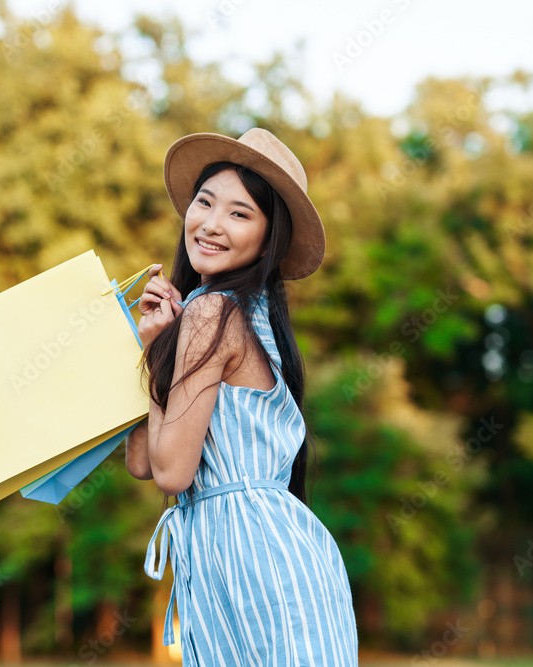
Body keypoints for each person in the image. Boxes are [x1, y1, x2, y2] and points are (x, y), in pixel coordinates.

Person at [123, 127, 359, 665]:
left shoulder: (212, 314)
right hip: (225, 560)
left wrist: (159, 355)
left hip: (258, 562)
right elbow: (141, 460)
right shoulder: (216, 312)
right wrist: (153, 351)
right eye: (204, 203)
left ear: (267, 237)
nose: (210, 224)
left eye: (239, 213)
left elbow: (172, 473)